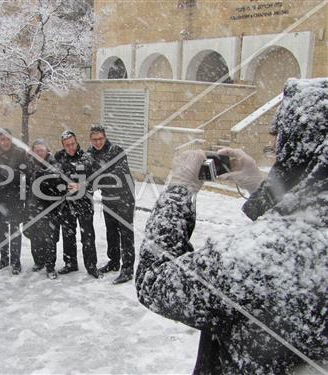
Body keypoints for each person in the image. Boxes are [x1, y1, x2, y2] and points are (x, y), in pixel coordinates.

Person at [135, 78, 327, 374]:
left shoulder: (265, 256)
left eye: (278, 153)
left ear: (301, 154)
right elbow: (306, 205)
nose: (275, 160)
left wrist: (178, 191)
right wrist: (265, 189)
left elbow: (155, 281)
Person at [88, 125, 135, 284]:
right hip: (107, 198)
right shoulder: (90, 154)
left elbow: (118, 175)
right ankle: (114, 262)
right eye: (94, 139)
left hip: (124, 197)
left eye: (100, 138)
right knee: (111, 232)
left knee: (126, 233)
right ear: (90, 139)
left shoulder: (117, 151)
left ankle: (128, 269)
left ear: (105, 137)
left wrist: (96, 179)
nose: (98, 142)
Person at [54, 130, 101, 278]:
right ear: (63, 145)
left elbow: (96, 181)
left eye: (73, 143)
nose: (71, 147)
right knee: (68, 235)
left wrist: (82, 186)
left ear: (77, 141)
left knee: (87, 236)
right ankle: (70, 263)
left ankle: (91, 266)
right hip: (66, 204)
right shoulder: (59, 157)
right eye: (67, 145)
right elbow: (54, 179)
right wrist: (61, 186)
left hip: (84, 203)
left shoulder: (87, 158)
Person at [23, 139, 64, 280]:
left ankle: (50, 266)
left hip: (50, 207)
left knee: (50, 238)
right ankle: (38, 262)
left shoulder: (55, 165)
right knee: (35, 237)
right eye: (36, 150)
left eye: (42, 149)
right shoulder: (28, 165)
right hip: (33, 207)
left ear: (47, 151)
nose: (39, 152)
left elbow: (56, 184)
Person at [0, 129, 26, 275]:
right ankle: (4, 259)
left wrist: (22, 196)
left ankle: (16, 261)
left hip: (15, 197)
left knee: (15, 230)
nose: (5, 142)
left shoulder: (20, 154)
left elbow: (24, 175)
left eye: (8, 139)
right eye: (2, 139)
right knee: (1, 231)